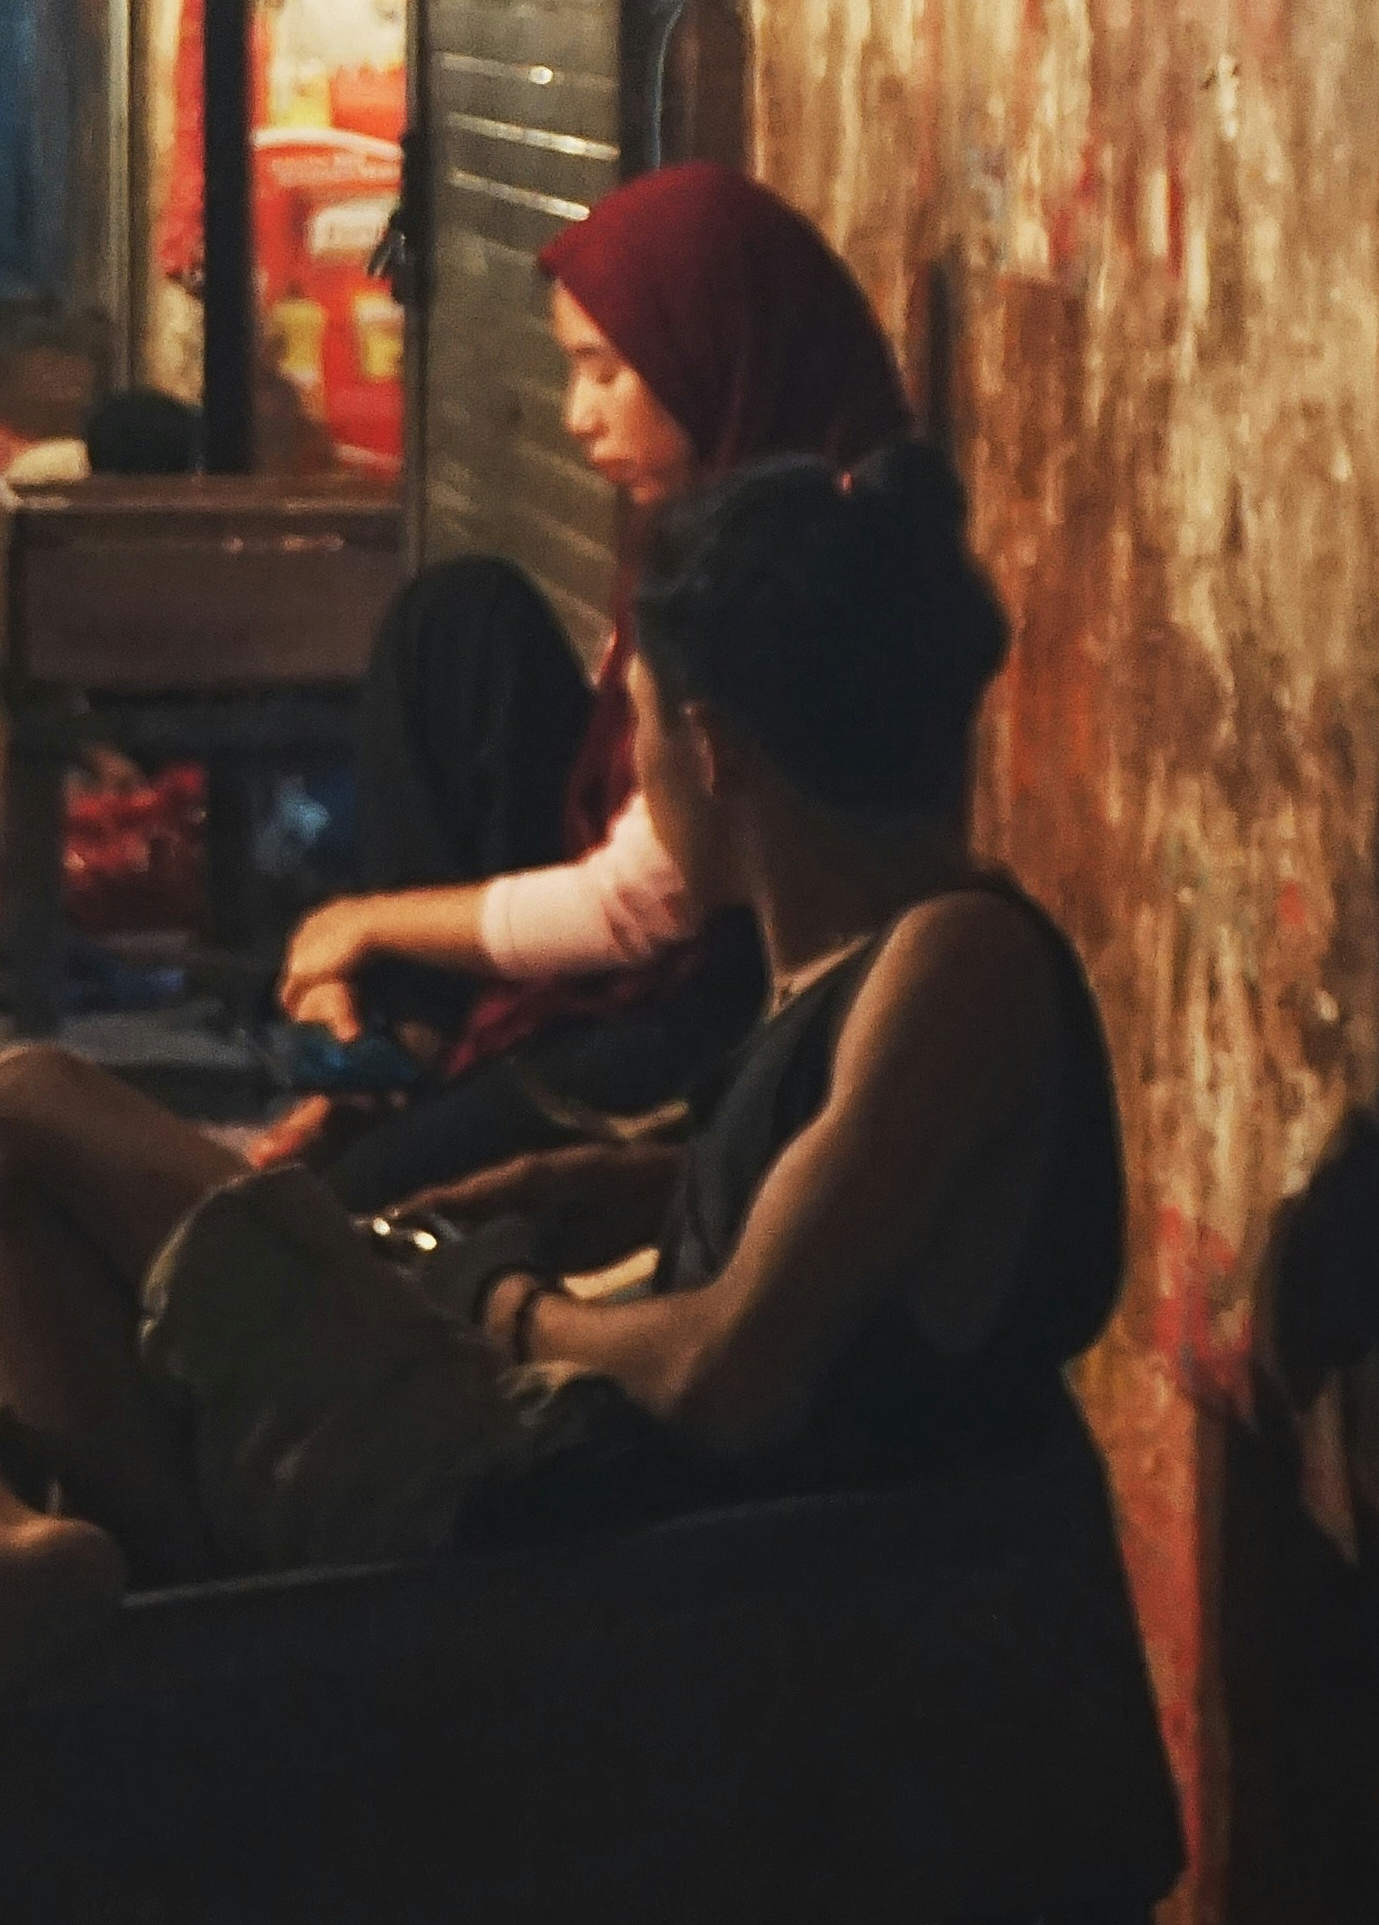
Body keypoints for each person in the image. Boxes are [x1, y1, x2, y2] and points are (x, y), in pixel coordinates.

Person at [0, 433, 1120, 1809]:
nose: (637, 768)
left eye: (642, 728)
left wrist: (501, 1303)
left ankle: (179, 1656)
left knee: (10, 1120)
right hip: (544, 1475)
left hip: (545, 1505)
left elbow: (737, 1372)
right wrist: (636, 1181)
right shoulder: (851, 968)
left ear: (717, 747)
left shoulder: (953, 962)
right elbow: (835, 1241)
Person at [263, 164, 911, 1208]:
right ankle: (404, 1041)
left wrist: (371, 920)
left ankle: (404, 1083)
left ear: (707, 353)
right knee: (456, 625)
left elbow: (641, 908)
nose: (575, 418)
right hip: (653, 936)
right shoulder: (695, 515)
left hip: (700, 998)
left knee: (353, 1215)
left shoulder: (789, 555)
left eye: (605, 372)